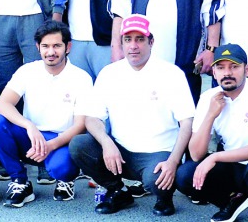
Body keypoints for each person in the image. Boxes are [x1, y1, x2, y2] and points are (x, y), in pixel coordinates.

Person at [70, 14, 194, 217]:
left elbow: (187, 123)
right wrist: (106, 142)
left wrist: (173, 161)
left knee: (156, 182)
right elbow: (92, 118)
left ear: (151, 42)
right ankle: (117, 191)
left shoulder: (171, 74)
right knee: (80, 145)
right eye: (128, 40)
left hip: (158, 153)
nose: (133, 46)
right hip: (120, 152)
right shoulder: (109, 73)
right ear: (121, 43)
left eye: (140, 39)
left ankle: (164, 199)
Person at [175, 43, 248, 222]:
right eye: (220, 67)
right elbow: (196, 154)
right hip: (235, 165)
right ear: (214, 72)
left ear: (247, 70)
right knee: (185, 175)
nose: (227, 73)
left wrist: (214, 157)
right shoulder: (209, 98)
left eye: (234, 66)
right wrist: (210, 116)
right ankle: (232, 200)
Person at [0, 20, 91, 207]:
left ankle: (65, 181)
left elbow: (80, 125)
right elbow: (3, 104)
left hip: (60, 140)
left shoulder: (81, 78)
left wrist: (51, 145)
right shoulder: (28, 70)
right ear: (38, 47)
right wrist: (29, 126)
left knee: (63, 168)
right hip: (30, 136)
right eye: (45, 46)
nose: (50, 52)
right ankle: (20, 181)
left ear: (68, 47)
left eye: (57, 46)